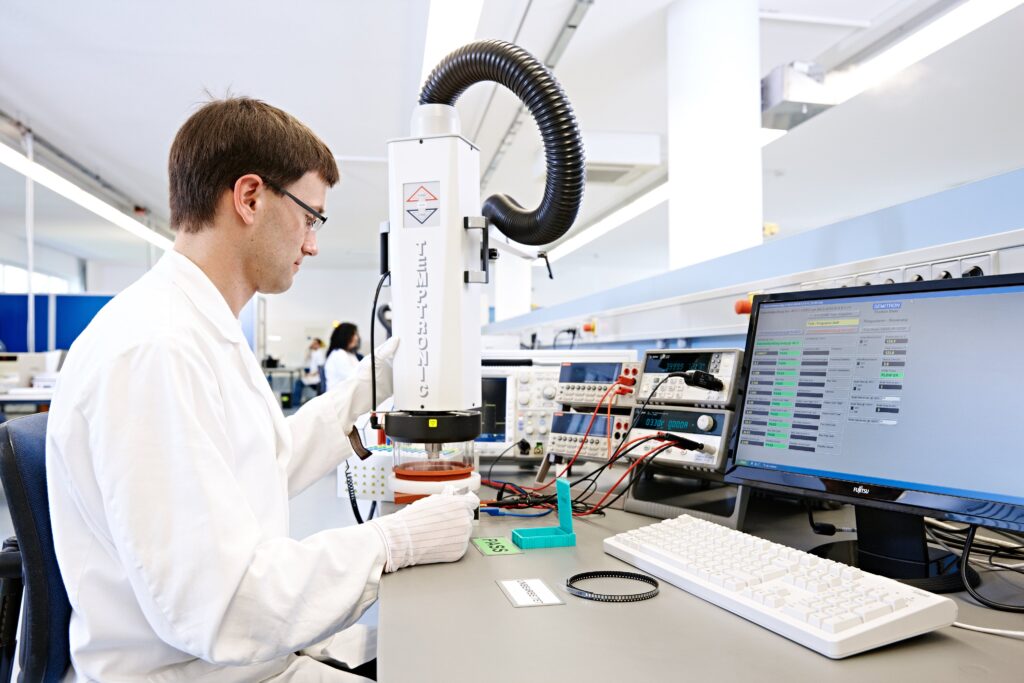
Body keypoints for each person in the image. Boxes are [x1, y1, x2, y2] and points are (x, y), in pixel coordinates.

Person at [46, 97, 477, 682]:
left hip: (230, 662)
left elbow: (266, 462)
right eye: (311, 217)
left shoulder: (199, 327)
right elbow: (222, 606)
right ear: (250, 198)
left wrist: (370, 384)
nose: (312, 244)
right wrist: (390, 542)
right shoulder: (155, 349)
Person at [324, 323, 361, 391]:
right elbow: (354, 378)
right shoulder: (338, 354)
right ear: (344, 336)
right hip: (339, 395)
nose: (356, 338)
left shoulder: (350, 354)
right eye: (353, 334)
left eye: (356, 334)